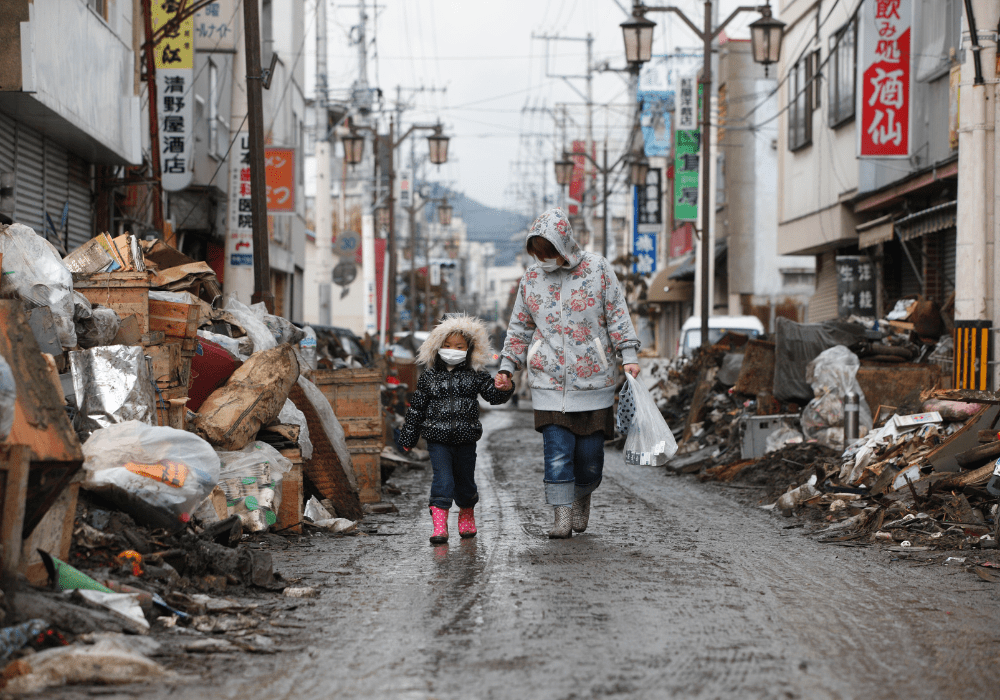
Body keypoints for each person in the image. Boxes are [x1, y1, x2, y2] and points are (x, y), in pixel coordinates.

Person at [495, 208, 640, 539]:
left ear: (564, 244)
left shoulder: (598, 269)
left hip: (594, 381)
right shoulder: (531, 280)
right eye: (538, 253)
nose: (543, 259)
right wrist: (508, 366)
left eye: (549, 252)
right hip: (547, 382)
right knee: (557, 454)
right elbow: (518, 327)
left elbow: (617, 312)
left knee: (590, 460)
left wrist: (627, 354)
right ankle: (561, 516)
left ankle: (581, 496)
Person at [398, 314, 515, 544]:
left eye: (459, 346)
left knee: (465, 481)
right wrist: (408, 436)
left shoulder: (475, 375)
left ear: (469, 349)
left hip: (466, 439)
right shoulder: (429, 378)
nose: (453, 350)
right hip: (437, 439)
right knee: (443, 480)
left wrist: (504, 387)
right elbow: (416, 409)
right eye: (448, 345)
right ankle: (439, 526)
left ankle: (467, 514)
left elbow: (493, 395)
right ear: (438, 346)